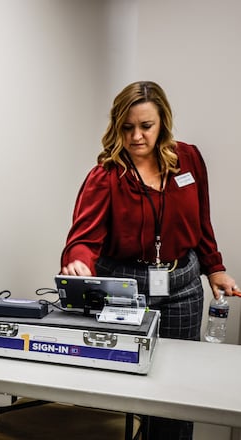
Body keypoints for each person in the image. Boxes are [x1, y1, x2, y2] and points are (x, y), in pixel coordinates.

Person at [60, 80, 239, 440]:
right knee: (126, 386)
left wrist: (215, 267)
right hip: (127, 287)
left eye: (146, 126)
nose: (136, 136)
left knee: (177, 388)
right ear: (116, 127)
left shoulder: (187, 159)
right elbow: (83, 238)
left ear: (163, 124)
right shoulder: (106, 175)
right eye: (127, 128)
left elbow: (201, 220)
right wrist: (78, 263)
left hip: (183, 285)